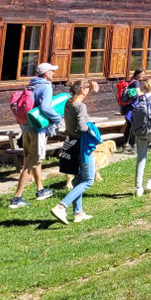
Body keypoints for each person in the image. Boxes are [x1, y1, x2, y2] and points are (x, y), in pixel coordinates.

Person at [9, 63, 63, 209]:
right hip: (37, 130)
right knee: (30, 163)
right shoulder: (45, 86)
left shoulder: (31, 85)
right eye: (52, 71)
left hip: (25, 129)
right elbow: (45, 107)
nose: (54, 73)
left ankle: (40, 190)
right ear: (46, 73)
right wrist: (57, 118)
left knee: (33, 159)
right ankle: (17, 198)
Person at [50, 80, 99, 224]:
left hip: (70, 142)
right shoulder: (81, 106)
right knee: (88, 181)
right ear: (82, 89)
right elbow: (82, 127)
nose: (88, 91)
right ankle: (61, 206)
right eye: (87, 89)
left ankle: (78, 213)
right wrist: (92, 132)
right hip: (82, 146)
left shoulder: (68, 102)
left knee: (77, 179)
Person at [120, 68, 146, 153]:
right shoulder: (136, 82)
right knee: (135, 125)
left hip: (128, 107)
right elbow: (138, 93)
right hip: (133, 107)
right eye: (142, 74)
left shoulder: (131, 80)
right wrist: (146, 94)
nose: (143, 76)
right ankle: (134, 146)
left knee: (129, 126)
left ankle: (126, 145)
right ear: (137, 74)